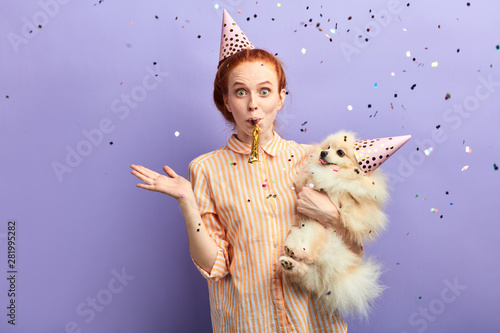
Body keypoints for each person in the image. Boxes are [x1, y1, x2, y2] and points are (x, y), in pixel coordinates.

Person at [130, 10, 362, 333]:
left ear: (281, 98)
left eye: (265, 91)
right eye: (241, 92)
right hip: (250, 322)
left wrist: (334, 216)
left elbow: (353, 250)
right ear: (226, 101)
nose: (253, 104)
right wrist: (186, 202)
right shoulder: (206, 169)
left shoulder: (314, 158)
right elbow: (214, 265)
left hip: (313, 321)